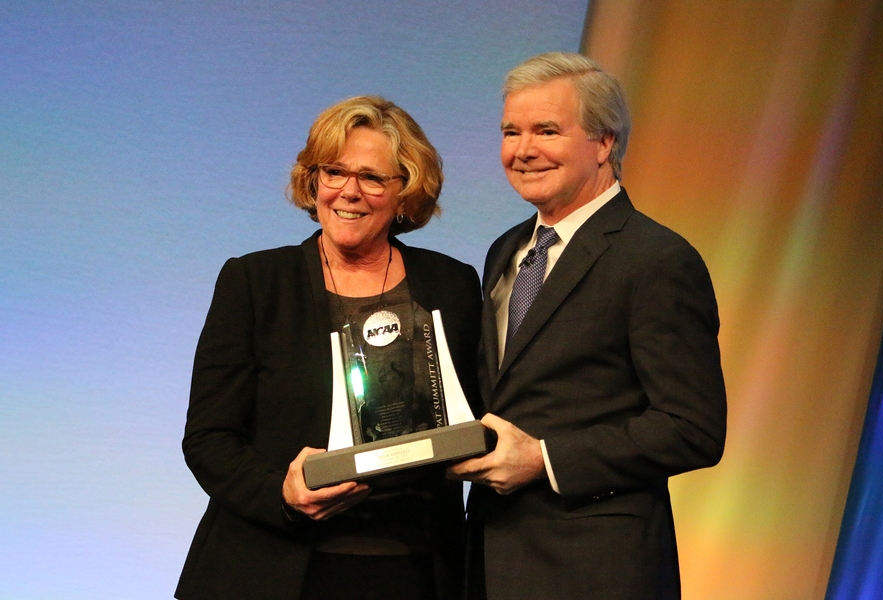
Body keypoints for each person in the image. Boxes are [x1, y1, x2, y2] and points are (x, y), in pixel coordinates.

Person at [175, 96, 482, 600]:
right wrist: (282, 494)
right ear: (312, 179)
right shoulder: (255, 282)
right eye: (334, 171)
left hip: (414, 570)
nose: (349, 192)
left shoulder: (452, 283)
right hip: (269, 567)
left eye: (372, 177)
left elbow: (474, 413)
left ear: (405, 192)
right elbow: (208, 438)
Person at [447, 52, 727, 599]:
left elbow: (691, 428)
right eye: (511, 132)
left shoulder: (657, 258)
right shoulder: (506, 249)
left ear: (604, 142)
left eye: (546, 131)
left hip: (595, 569)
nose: (523, 150)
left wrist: (544, 459)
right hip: (488, 559)